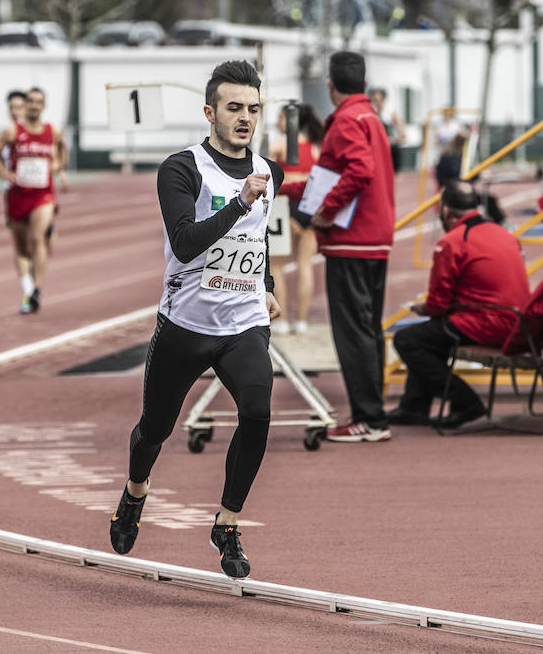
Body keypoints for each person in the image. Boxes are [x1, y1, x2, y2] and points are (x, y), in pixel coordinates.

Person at [108, 60, 283, 580]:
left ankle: (226, 524)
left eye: (253, 108)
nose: (245, 118)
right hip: (185, 324)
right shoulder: (181, 169)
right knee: (155, 429)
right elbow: (185, 244)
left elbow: (258, 236)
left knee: (257, 410)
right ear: (210, 112)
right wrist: (239, 200)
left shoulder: (267, 170)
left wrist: (267, 285)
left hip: (243, 322)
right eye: (234, 108)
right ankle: (135, 492)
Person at [387, 181, 530, 429]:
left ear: (445, 212)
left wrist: (423, 308)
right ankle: (414, 406)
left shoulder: (453, 241)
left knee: (407, 340)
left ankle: (464, 400)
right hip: (519, 321)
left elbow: (437, 303)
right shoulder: (503, 234)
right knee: (431, 334)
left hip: (488, 322)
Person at [309, 51, 397, 443]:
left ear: (331, 85)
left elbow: (359, 171)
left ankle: (369, 417)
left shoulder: (346, 120)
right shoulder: (370, 117)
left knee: (353, 331)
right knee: (368, 329)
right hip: (375, 239)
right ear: (363, 83)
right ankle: (373, 410)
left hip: (351, 242)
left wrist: (326, 211)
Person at [0, 87, 67, 314]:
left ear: (43, 106)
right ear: (26, 105)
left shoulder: (54, 131)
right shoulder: (12, 131)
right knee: (22, 248)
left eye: (38, 102)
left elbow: (63, 151)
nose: (34, 105)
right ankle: (29, 286)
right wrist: (5, 174)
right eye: (30, 101)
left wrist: (57, 166)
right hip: (17, 195)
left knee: (37, 238)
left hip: (43, 195)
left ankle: (37, 290)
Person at [268, 103, 323, 335]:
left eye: (281, 119)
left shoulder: (280, 146)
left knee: (277, 267)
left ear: (291, 121)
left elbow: (264, 170)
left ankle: (281, 321)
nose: (277, 123)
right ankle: (300, 321)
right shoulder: (315, 149)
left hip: (284, 207)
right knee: (305, 265)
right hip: (309, 208)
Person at [369, 87, 406, 170]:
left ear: (383, 99)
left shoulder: (390, 114)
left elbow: (403, 134)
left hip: (390, 150)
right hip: (376, 150)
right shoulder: (371, 113)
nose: (376, 102)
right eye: (374, 100)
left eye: (378, 100)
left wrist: (391, 140)